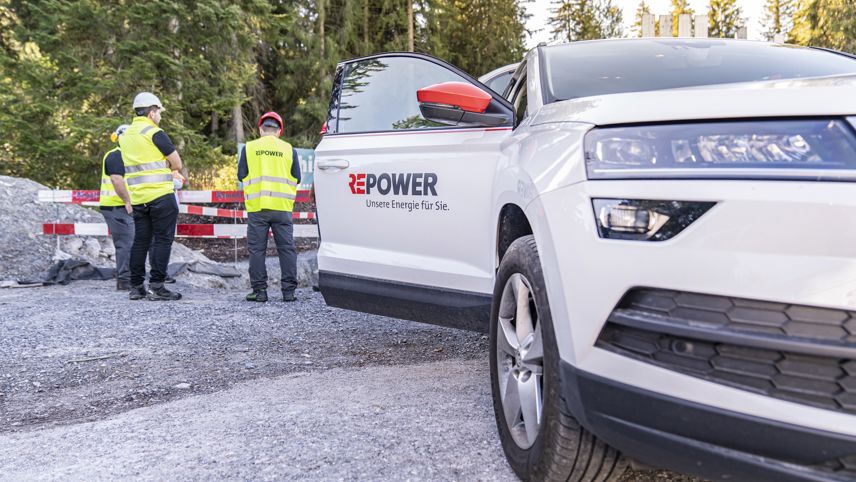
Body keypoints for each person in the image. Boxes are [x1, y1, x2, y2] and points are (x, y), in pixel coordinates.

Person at [119, 92, 183, 301]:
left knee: (141, 241)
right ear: (152, 112)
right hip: (161, 195)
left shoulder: (125, 135)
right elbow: (177, 163)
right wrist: (168, 167)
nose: (160, 117)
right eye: (159, 113)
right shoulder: (154, 132)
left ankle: (137, 287)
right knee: (163, 240)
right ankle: (157, 286)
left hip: (138, 197)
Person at [239, 111, 301, 302]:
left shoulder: (249, 148)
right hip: (282, 208)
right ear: (279, 131)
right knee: (287, 248)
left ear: (260, 129)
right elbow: (297, 177)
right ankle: (289, 292)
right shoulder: (289, 149)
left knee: (257, 250)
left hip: (258, 208)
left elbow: (242, 175)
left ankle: (260, 292)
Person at [99, 124, 134, 291]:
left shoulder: (130, 156)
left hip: (123, 205)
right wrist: (128, 201)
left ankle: (131, 277)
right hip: (116, 206)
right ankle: (125, 280)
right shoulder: (115, 156)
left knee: (132, 242)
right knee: (126, 243)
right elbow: (116, 180)